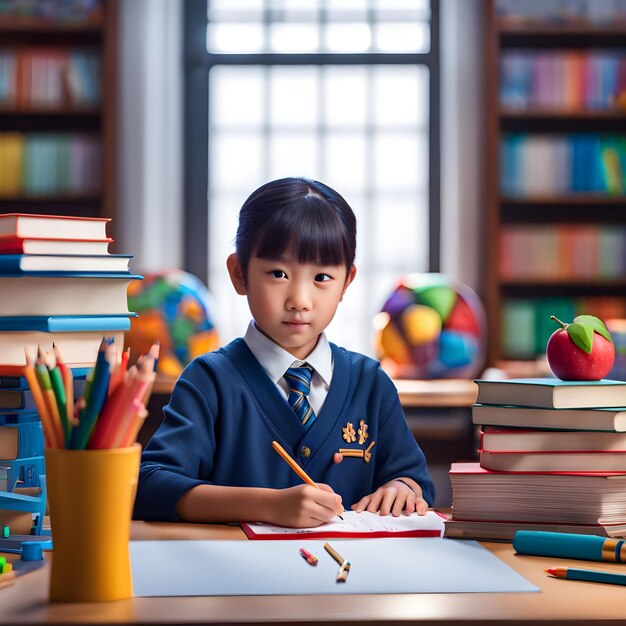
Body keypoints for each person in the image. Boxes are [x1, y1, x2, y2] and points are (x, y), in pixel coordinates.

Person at [134, 177, 435, 527]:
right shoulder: (210, 380)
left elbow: (416, 482)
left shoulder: (372, 383)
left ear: (346, 283)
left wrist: (402, 488)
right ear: (239, 273)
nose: (300, 301)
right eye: (278, 273)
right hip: (240, 579)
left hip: (352, 578)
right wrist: (266, 506)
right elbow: (152, 486)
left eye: (322, 277)